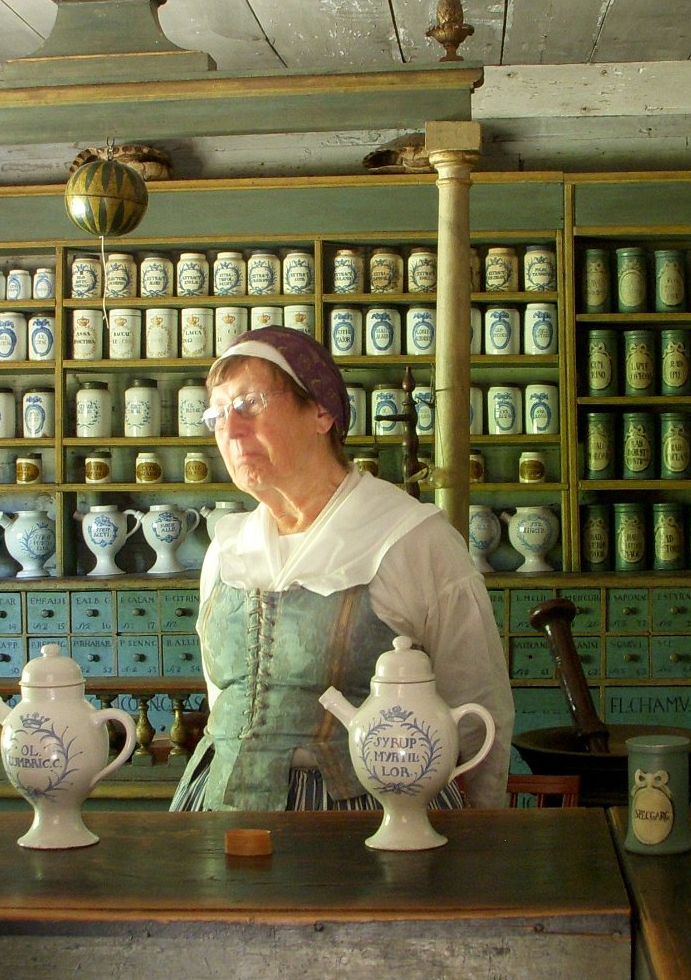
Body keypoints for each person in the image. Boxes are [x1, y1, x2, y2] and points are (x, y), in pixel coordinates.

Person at [169, 326, 513, 812]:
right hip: (219, 818)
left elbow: (478, 717)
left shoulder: (410, 539)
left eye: (249, 403)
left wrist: (480, 838)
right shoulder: (227, 550)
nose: (231, 428)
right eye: (218, 413)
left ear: (321, 412)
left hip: (369, 827)